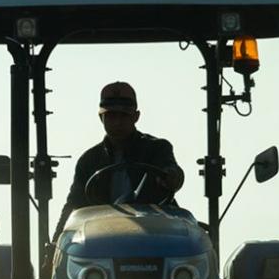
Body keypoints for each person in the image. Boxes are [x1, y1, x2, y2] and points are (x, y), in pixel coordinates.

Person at [55, 82, 185, 231]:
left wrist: (172, 176)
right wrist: (56, 241)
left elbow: (171, 170)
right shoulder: (89, 160)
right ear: (101, 118)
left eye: (124, 115)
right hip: (103, 238)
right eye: (111, 116)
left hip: (153, 234)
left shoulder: (157, 149)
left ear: (136, 116)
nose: (117, 122)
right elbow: (73, 204)